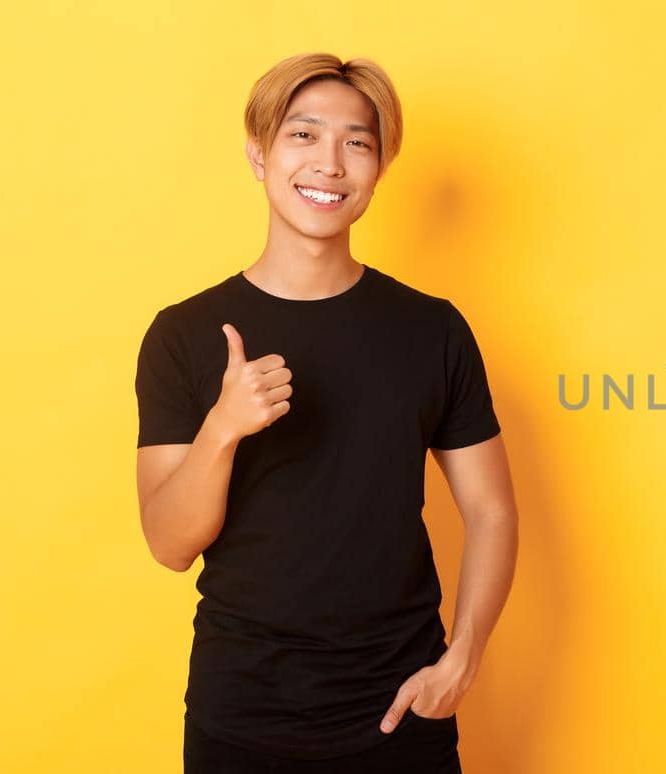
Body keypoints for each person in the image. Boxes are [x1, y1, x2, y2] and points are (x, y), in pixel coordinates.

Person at [133, 52, 519, 773]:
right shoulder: (183, 334)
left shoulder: (431, 330)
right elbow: (169, 544)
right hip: (241, 712)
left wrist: (462, 658)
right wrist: (222, 429)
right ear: (259, 155)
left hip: (401, 708)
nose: (330, 164)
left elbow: (493, 509)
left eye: (358, 142)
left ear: (378, 169)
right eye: (303, 135)